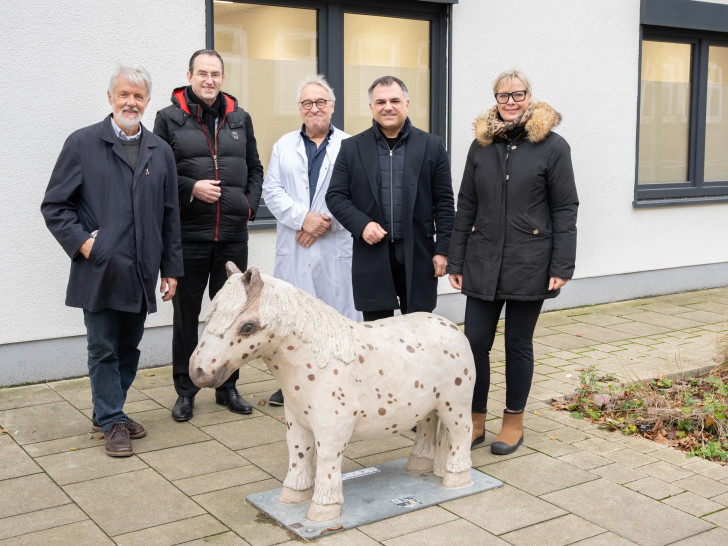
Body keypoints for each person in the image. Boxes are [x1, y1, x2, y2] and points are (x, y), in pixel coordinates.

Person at [41, 66, 183, 457]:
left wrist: (171, 269)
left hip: (141, 270)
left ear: (147, 102)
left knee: (130, 347)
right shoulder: (83, 144)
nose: (130, 102)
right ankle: (111, 419)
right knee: (102, 347)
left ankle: (108, 411)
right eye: (123, 95)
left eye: (138, 96)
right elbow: (55, 205)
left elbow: (171, 216)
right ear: (110, 98)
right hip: (100, 268)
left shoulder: (161, 151)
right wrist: (85, 244)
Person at [447, 69, 579, 455]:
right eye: (503, 96)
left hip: (530, 261)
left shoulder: (553, 147)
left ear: (529, 96)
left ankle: (513, 422)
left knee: (518, 344)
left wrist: (562, 265)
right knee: (474, 343)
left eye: (517, 95)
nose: (510, 102)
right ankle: (474, 420)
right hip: (483, 259)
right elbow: (466, 204)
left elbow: (565, 208)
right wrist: (456, 260)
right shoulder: (481, 146)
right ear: (495, 100)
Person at [154, 49, 264, 421]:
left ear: (222, 77)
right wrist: (191, 187)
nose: (209, 80)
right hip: (188, 236)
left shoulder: (240, 117)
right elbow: (159, 174)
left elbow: (255, 168)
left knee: (232, 318)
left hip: (232, 237)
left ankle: (227, 386)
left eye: (215, 74)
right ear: (189, 75)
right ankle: (185, 391)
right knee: (187, 317)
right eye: (202, 73)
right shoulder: (168, 119)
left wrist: (248, 206)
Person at [263, 75, 362, 406]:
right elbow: (272, 191)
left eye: (321, 102)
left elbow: (357, 196)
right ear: (300, 109)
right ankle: (292, 383)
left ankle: (341, 382)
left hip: (335, 247)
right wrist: (301, 219)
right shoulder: (283, 145)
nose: (314, 108)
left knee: (337, 317)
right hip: (295, 245)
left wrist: (323, 223)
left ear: (332, 106)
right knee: (294, 319)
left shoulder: (351, 145)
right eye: (307, 103)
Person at [326, 76, 455, 320]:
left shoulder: (432, 146)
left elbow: (445, 204)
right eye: (381, 101)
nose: (388, 106)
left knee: (418, 333)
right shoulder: (352, 148)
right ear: (371, 107)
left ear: (406, 103)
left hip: (419, 255)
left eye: (395, 100)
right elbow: (335, 196)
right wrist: (362, 225)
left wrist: (443, 250)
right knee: (377, 335)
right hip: (372, 255)